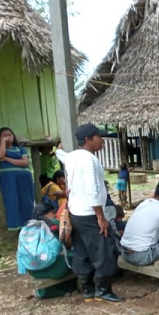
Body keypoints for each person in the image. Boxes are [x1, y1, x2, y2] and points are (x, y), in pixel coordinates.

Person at [55, 124, 122, 303]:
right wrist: (101, 217)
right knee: (103, 250)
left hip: (76, 211)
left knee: (82, 250)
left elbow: (60, 154)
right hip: (90, 212)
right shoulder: (90, 160)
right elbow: (93, 190)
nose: (102, 140)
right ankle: (103, 290)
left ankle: (88, 290)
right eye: (98, 137)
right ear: (88, 140)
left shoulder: (72, 157)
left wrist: (58, 149)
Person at [24, 202, 76, 299]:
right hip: (53, 268)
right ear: (46, 214)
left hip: (33, 269)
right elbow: (69, 244)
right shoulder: (54, 224)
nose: (55, 215)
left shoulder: (27, 227)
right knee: (79, 256)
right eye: (53, 212)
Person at [119, 181, 159, 266]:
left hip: (125, 252)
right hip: (141, 256)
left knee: (158, 233)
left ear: (155, 193)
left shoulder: (144, 203)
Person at [0, 127, 34, 230]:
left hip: (24, 178)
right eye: (4, 136)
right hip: (9, 179)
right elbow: (0, 154)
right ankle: (16, 227)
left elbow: (24, 163)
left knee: (27, 201)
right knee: (12, 201)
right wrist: (3, 143)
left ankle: (29, 224)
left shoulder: (20, 149)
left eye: (10, 135)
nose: (8, 137)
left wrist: (6, 159)